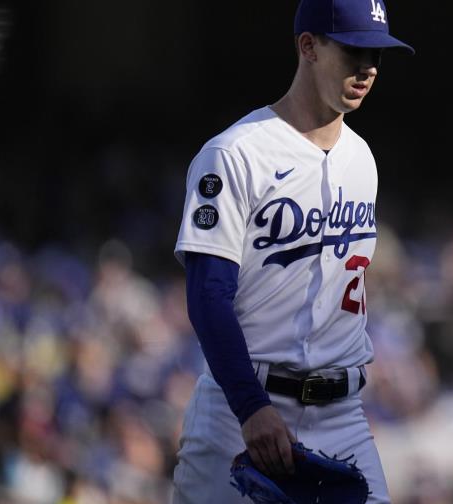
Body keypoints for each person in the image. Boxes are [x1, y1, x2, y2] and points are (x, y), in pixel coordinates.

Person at [171, 0, 413, 502]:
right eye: (353, 50)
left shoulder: (362, 159)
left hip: (342, 414)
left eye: (376, 55)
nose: (368, 67)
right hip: (241, 410)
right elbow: (208, 295)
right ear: (309, 47)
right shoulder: (235, 153)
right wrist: (249, 405)